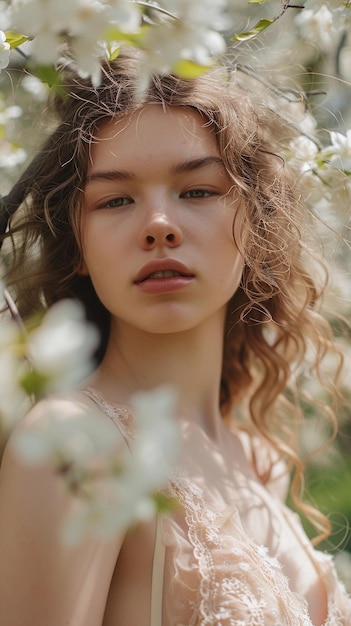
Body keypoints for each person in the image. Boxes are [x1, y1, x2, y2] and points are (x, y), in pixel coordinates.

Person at [0, 49, 350, 626]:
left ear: (255, 224)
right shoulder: (75, 446)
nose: (159, 225)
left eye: (198, 191)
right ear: (77, 245)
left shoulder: (260, 462)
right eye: (115, 200)